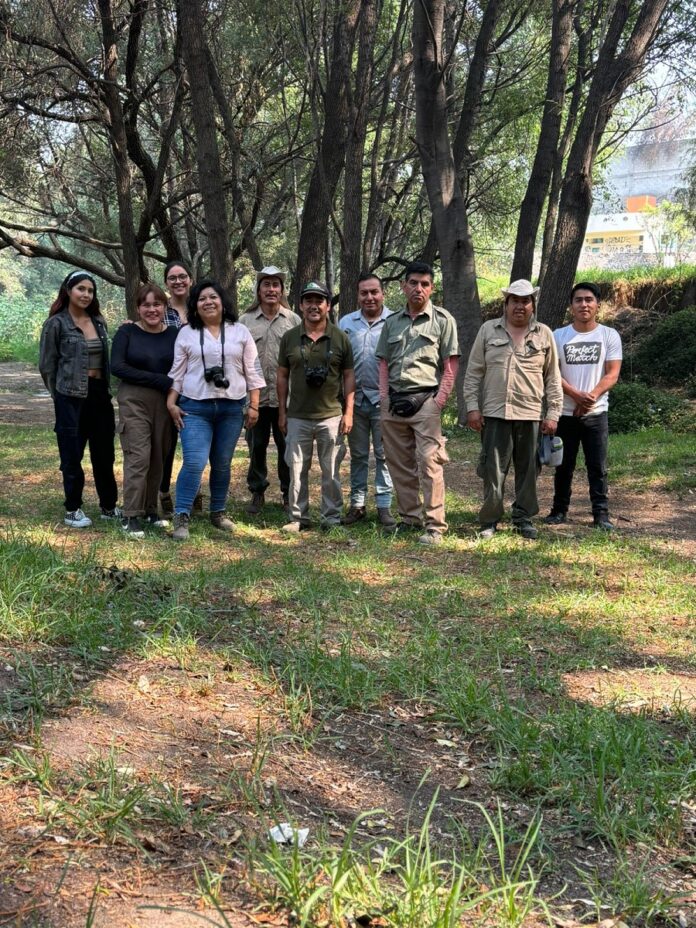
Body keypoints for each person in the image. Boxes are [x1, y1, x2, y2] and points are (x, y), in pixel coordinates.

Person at [463, 278, 563, 540]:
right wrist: (472, 408)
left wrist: (553, 413)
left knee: (529, 471)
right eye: (515, 301)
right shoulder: (488, 330)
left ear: (533, 305)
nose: (520, 306)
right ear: (506, 304)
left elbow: (553, 377)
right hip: (495, 414)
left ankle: (523, 517)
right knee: (492, 471)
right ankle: (490, 520)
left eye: (525, 301)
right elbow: (473, 372)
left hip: (531, 414)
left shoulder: (544, 334)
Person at [166, 280, 265, 541]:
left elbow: (252, 371)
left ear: (223, 302)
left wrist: (254, 405)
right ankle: (182, 516)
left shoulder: (240, 331)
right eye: (201, 299)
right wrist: (171, 402)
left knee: (222, 463)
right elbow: (178, 372)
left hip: (231, 407)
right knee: (195, 462)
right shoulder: (186, 333)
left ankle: (218, 512)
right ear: (194, 306)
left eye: (213, 297)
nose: (208, 302)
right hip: (194, 406)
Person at [375, 261, 459, 545]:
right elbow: (384, 363)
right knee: (399, 465)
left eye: (424, 284)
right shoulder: (392, 322)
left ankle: (435, 526)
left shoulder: (443, 321)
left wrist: (439, 402)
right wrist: (384, 399)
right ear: (403, 286)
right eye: (413, 283)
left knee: (429, 463)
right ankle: (410, 518)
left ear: (432, 288)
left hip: (426, 402)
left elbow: (450, 365)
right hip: (394, 403)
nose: (418, 288)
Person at [39, 270, 120, 527]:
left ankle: (108, 506)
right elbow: (47, 366)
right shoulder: (56, 324)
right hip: (70, 397)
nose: (86, 294)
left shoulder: (98, 321)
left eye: (90, 290)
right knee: (72, 455)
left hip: (99, 395)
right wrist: (59, 395)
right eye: (81, 289)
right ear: (68, 290)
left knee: (104, 454)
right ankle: (73, 508)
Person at [277, 281, 355, 532]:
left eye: (319, 300)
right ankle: (298, 518)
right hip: (297, 415)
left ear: (328, 306)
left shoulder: (341, 338)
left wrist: (348, 412)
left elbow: (349, 377)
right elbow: (282, 377)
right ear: (300, 305)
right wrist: (282, 412)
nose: (313, 306)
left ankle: (331, 518)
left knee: (331, 470)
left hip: (331, 416)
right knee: (297, 468)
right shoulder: (289, 338)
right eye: (308, 300)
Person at [544, 281, 623, 531]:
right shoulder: (558, 335)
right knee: (563, 466)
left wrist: (589, 399)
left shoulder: (609, 335)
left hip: (596, 413)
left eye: (589, 299)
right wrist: (576, 396)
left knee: (597, 466)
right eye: (578, 300)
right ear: (571, 306)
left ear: (597, 304)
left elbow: (612, 374)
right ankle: (558, 511)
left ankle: (601, 514)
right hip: (565, 412)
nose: (584, 304)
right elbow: (552, 373)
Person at [111, 283, 179, 537]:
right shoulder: (127, 332)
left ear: (165, 307)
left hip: (165, 403)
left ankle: (151, 510)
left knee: (158, 457)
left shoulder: (173, 334)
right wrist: (159, 380)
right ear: (138, 308)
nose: (152, 309)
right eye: (146, 305)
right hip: (134, 400)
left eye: (157, 304)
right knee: (139, 455)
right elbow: (117, 367)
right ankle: (131, 514)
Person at [239, 266, 301, 515]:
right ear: (259, 290)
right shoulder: (245, 321)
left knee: (287, 447)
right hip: (256, 400)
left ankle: (288, 494)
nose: (271, 289)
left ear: (282, 290)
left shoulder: (294, 320)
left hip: (286, 401)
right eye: (266, 285)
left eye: (276, 285)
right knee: (256, 447)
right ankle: (257, 492)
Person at [338, 273, 395, 527]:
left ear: (383, 293)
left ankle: (384, 505)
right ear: (358, 295)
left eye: (374, 292)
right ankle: (358, 505)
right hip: (355, 399)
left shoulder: (395, 321)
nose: (370, 297)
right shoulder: (346, 323)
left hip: (385, 401)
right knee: (358, 454)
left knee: (385, 455)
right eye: (364, 293)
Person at [160, 261, 193, 515]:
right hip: (167, 384)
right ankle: (163, 492)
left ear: (190, 280)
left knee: (196, 444)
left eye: (183, 276)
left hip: (196, 386)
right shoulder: (160, 310)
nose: (178, 281)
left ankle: (195, 493)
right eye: (173, 278)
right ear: (166, 283)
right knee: (166, 443)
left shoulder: (201, 308)